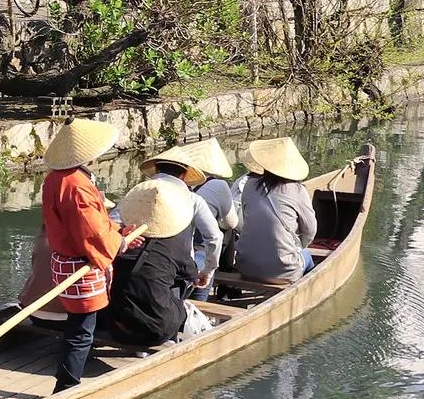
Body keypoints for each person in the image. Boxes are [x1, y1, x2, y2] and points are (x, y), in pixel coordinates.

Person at [39, 119, 128, 393]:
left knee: (80, 326)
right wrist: (118, 241)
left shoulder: (55, 178)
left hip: (64, 259)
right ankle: (67, 386)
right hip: (79, 264)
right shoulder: (76, 184)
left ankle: (69, 377)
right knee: (81, 330)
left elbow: (95, 224)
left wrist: (117, 232)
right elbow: (91, 231)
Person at [106, 178, 213, 349]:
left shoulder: (121, 241)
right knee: (180, 303)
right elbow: (191, 274)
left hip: (115, 326)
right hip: (156, 331)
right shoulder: (174, 245)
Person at [148, 138, 235, 300]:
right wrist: (208, 271)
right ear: (184, 174)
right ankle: (201, 305)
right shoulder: (192, 199)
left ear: (156, 170)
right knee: (224, 237)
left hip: (145, 262)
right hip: (180, 266)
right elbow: (217, 236)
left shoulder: (140, 194)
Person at [235, 136, 319, 286]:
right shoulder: (298, 190)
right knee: (307, 256)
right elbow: (310, 231)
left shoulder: (249, 185)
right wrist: (298, 247)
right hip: (285, 271)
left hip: (245, 266)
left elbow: (248, 220)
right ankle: (305, 293)